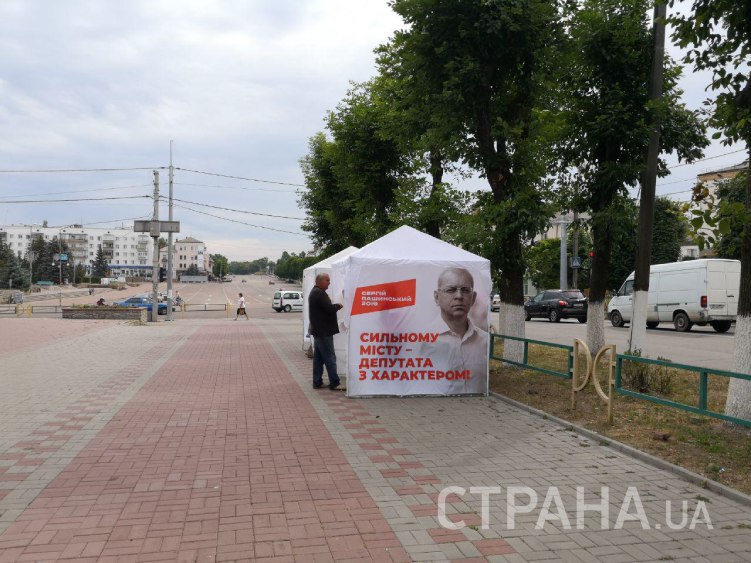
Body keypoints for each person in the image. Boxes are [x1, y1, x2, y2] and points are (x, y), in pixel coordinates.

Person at [431, 267, 489, 392]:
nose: (459, 296)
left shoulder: (485, 340)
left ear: (473, 298)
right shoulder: (422, 340)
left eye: (465, 290)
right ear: (436, 297)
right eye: (451, 290)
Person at [308, 273, 343, 390]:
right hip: (324, 332)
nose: (329, 283)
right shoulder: (319, 293)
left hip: (318, 331)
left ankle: (317, 381)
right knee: (330, 357)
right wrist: (338, 305)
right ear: (320, 281)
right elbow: (329, 309)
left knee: (318, 359)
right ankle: (334, 382)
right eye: (327, 280)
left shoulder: (315, 292)